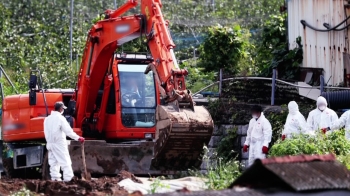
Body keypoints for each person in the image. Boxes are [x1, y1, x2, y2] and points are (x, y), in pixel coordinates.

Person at [44, 101, 85, 182]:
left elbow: (46, 131)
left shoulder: (47, 119)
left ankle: (55, 180)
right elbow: (68, 132)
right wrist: (78, 138)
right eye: (63, 109)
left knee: (53, 163)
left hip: (50, 143)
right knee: (65, 162)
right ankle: (69, 179)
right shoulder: (61, 118)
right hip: (59, 143)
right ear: (60, 109)